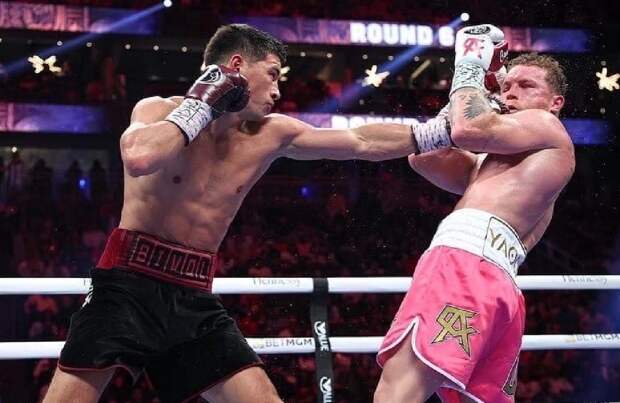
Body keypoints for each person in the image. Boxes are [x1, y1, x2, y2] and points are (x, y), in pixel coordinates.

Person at [43, 23, 447, 403]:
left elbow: (359, 140)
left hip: (193, 295)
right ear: (236, 66)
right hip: (126, 285)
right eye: (272, 75)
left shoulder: (270, 133)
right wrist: (202, 104)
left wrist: (436, 132)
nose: (278, 90)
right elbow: (140, 156)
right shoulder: (157, 109)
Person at [374, 25, 575, 403]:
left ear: (555, 103)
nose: (511, 93)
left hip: (465, 265)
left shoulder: (548, 127)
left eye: (526, 86)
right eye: (506, 86)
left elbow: (467, 128)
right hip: (494, 280)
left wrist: (469, 64)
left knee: (398, 388)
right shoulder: (500, 166)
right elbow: (425, 154)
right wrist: (482, 89)